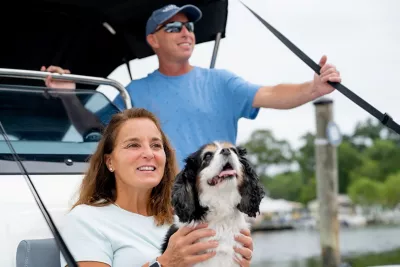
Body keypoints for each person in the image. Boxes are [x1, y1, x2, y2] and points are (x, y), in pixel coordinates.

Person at [42, 4, 341, 170]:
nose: (185, 32)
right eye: (173, 27)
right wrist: (69, 97)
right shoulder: (133, 92)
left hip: (221, 211)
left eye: (189, 27)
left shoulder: (222, 82)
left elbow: (273, 94)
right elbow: (93, 130)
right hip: (161, 214)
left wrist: (313, 88)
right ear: (153, 40)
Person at [59, 108, 254, 267]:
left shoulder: (183, 218)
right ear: (110, 161)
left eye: (155, 145)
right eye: (133, 145)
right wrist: (164, 264)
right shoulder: (86, 220)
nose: (148, 153)